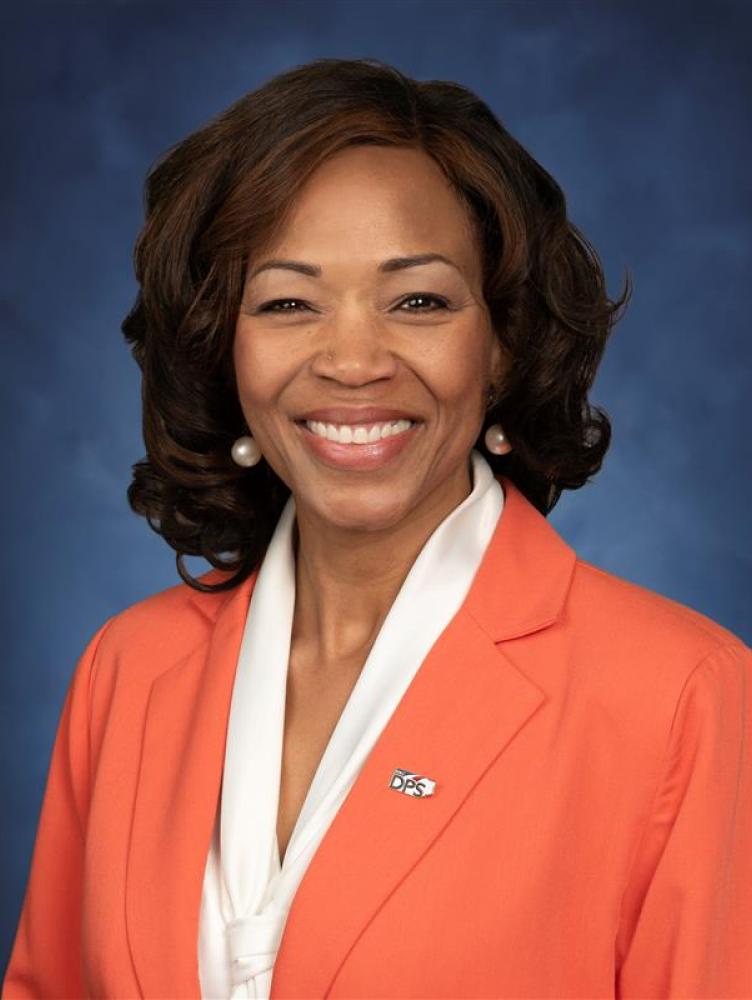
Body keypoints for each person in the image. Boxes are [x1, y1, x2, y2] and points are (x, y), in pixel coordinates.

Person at [3, 56, 750, 1000]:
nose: (353, 362)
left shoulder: (679, 694)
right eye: (288, 303)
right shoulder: (128, 670)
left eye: (418, 301)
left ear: (503, 342)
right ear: (220, 345)